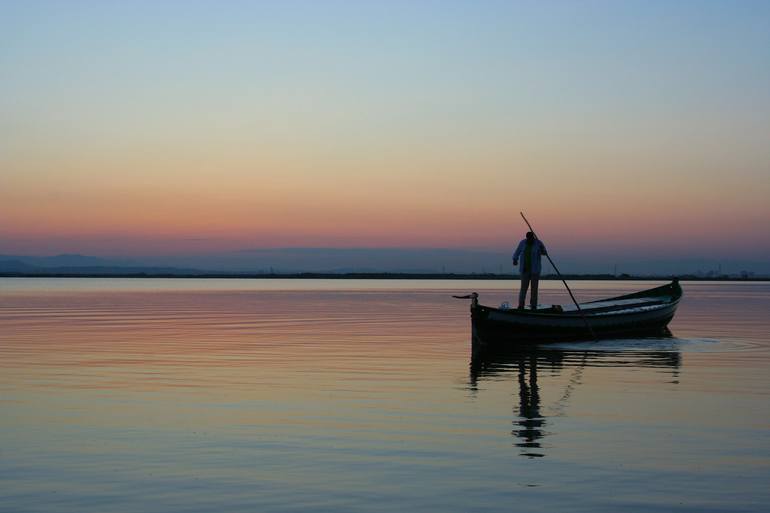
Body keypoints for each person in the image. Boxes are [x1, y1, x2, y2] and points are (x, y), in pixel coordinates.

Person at [512, 231, 547, 309]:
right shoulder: (522, 243)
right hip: (524, 270)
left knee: (534, 289)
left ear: (533, 237)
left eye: (531, 238)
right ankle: (521, 305)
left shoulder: (538, 243)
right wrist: (515, 259)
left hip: (535, 270)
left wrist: (542, 249)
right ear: (527, 238)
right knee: (523, 288)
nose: (529, 240)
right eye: (528, 238)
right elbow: (517, 252)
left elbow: (545, 253)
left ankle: (533, 305)